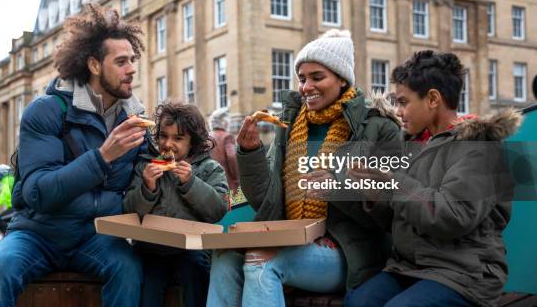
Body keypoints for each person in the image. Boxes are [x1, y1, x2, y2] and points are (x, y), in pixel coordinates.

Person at [207, 29, 401, 307]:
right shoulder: (291, 126)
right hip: (292, 237)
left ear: (342, 78)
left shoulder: (379, 127)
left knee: (260, 261)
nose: (306, 86)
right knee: (224, 257)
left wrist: (336, 190)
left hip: (350, 251)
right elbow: (266, 199)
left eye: (317, 77)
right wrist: (249, 153)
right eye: (302, 79)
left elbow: (389, 215)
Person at [0, 3, 149, 307]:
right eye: (121, 61)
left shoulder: (135, 121)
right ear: (94, 65)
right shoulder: (46, 111)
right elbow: (38, 192)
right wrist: (102, 157)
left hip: (96, 236)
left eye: (132, 60)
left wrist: (153, 183)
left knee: (128, 268)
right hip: (37, 234)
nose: (132, 68)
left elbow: (133, 197)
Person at [345, 50, 518, 307]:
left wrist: (393, 185)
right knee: (356, 303)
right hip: (410, 267)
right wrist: (375, 194)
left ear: (433, 99)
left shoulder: (477, 147)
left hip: (464, 273)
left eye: (404, 102)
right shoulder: (413, 144)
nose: (399, 112)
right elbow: (399, 218)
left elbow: (451, 216)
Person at [124, 100, 229, 307]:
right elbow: (129, 211)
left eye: (178, 138)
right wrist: (148, 187)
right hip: (151, 248)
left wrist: (191, 183)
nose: (168, 144)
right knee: (148, 288)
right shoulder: (145, 166)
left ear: (193, 142)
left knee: (198, 274)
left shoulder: (210, 169)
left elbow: (217, 211)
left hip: (192, 248)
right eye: (163, 136)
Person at [209, 107, 240, 192]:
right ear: (224, 122)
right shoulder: (227, 137)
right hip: (227, 182)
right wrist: (237, 178)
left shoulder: (207, 137)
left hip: (210, 182)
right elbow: (232, 157)